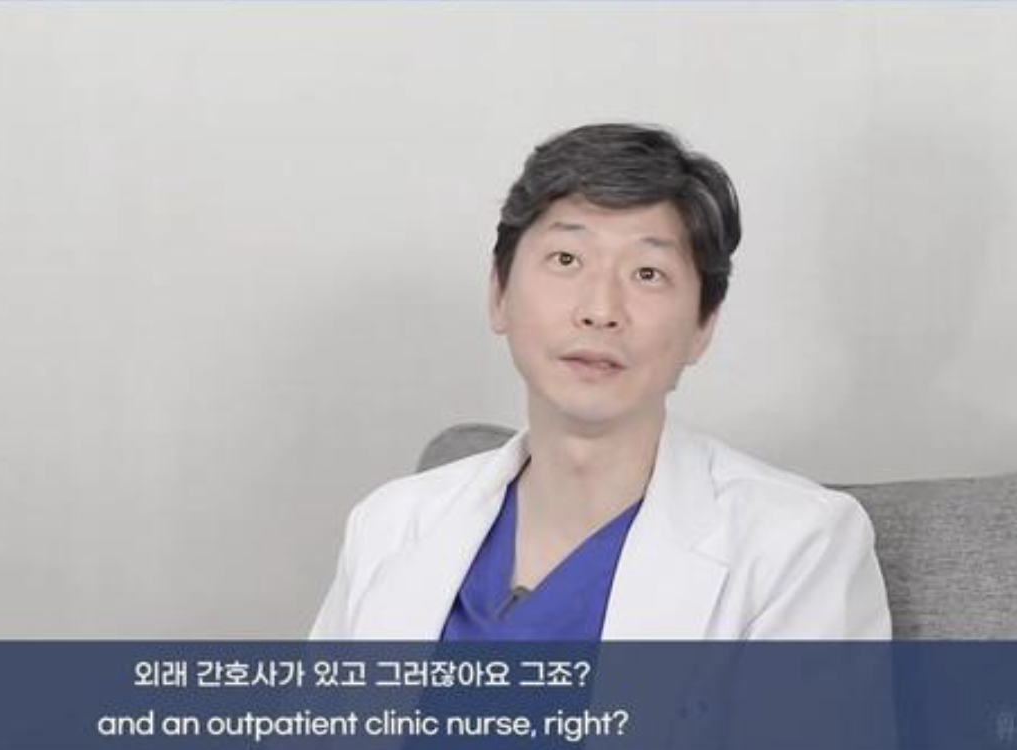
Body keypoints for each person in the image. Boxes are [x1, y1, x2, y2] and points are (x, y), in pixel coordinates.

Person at [309, 123, 891, 640]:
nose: (600, 310)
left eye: (648, 272)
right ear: (499, 294)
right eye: (566, 260)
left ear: (703, 326)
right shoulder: (389, 526)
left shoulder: (797, 547)